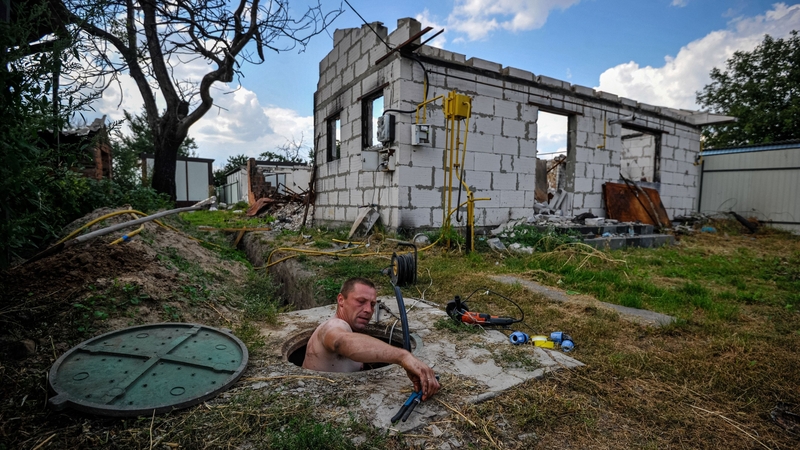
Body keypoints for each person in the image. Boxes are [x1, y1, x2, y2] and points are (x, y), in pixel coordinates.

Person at [302, 277, 441, 400]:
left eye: (372, 304)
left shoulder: (352, 328)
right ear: (341, 300)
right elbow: (341, 341)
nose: (368, 310)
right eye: (361, 301)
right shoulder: (334, 325)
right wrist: (403, 356)